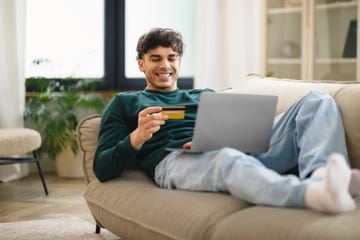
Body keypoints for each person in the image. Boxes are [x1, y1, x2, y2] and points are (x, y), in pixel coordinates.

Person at [94, 27, 360, 214]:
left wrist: (244, 131)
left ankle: (324, 176)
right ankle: (313, 195)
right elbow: (102, 167)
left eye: (171, 58)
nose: (165, 65)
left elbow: (240, 129)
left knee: (317, 100)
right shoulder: (125, 103)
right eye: (156, 59)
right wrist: (137, 137)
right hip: (173, 162)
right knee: (225, 158)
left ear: (180, 62)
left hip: (241, 150)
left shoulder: (205, 95)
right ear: (141, 65)